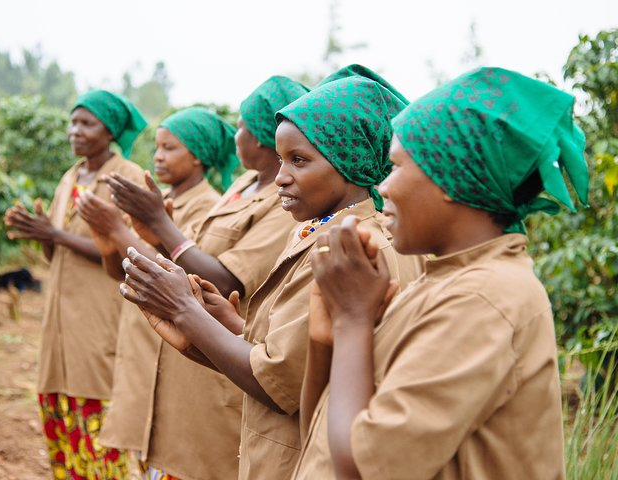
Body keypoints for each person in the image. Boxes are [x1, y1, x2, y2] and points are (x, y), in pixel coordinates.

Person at [120, 66, 424, 479]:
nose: (280, 177)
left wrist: (184, 311)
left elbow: (277, 381)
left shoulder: (351, 248)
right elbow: (298, 355)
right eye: (282, 159)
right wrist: (230, 323)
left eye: (299, 160)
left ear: (348, 160)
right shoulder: (325, 230)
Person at [293, 67, 589, 479]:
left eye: (396, 166)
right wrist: (327, 337)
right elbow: (321, 439)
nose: (386, 186)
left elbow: (364, 465)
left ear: (449, 177)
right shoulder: (441, 282)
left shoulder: (483, 298)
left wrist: (354, 321)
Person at [101, 78, 308, 480]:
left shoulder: (283, 204)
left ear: (266, 136)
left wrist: (157, 223)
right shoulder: (245, 185)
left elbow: (227, 277)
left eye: (245, 126)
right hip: (199, 356)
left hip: (225, 367)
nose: (237, 136)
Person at [4, 90, 148, 480]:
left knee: (98, 419)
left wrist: (57, 234)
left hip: (99, 315)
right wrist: (40, 233)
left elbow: (125, 252)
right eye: (73, 122)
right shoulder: (71, 177)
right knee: (60, 416)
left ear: (110, 130)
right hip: (60, 319)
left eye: (87, 123)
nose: (75, 131)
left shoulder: (128, 177)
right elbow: (57, 250)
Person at [75, 107, 223, 471]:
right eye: (156, 147)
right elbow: (119, 272)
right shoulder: (155, 202)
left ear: (199, 155)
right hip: (141, 353)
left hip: (175, 362)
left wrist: (121, 231)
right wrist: (108, 236)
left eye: (169, 148)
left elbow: (182, 280)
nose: (157, 156)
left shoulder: (209, 207)